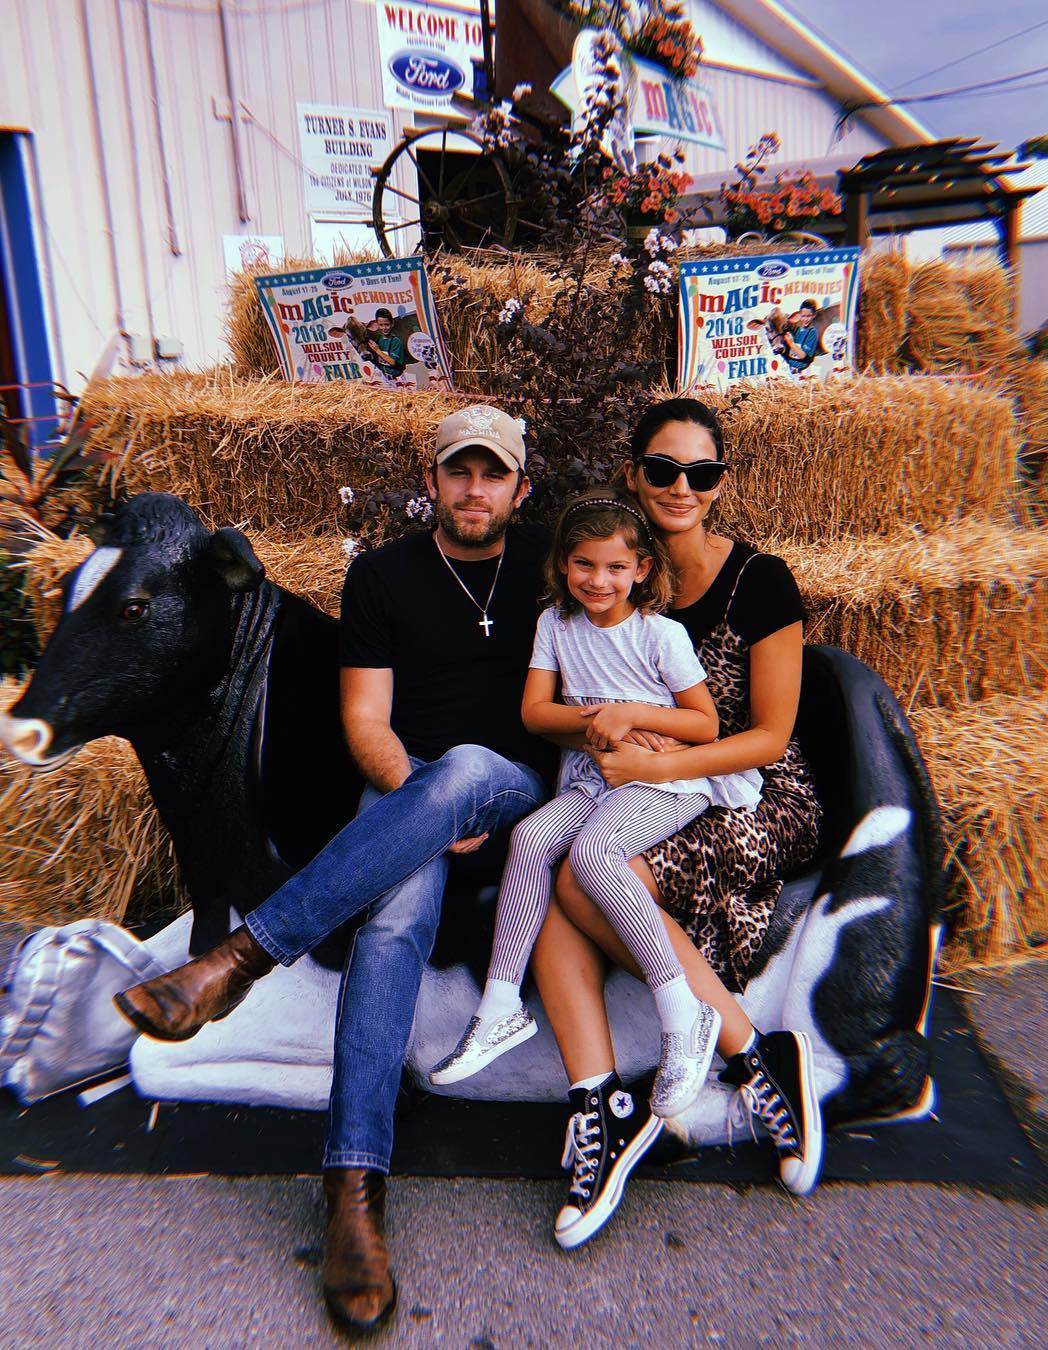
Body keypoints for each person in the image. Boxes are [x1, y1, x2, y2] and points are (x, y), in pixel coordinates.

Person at [112, 405, 554, 1336]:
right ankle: (353, 1187)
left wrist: (453, 797)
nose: (475, 490)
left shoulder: (556, 568)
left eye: (494, 474)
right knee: (393, 921)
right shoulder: (382, 576)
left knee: (469, 767)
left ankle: (239, 959)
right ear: (431, 482)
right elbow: (365, 723)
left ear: (521, 487)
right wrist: (422, 803)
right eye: (459, 471)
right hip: (406, 785)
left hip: (511, 785)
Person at [530, 398, 826, 1245]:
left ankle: (743, 1053)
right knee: (553, 866)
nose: (681, 487)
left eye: (702, 472)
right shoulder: (610, 576)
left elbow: (768, 738)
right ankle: (603, 1102)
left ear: (721, 483)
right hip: (637, 785)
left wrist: (654, 763)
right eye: (663, 469)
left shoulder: (759, 582)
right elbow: (565, 703)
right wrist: (611, 737)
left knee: (586, 877)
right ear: (634, 475)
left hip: (752, 789)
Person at [429, 492, 763, 1149]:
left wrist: (631, 717)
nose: (599, 580)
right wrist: (602, 721)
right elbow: (534, 713)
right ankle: (500, 1005)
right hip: (592, 777)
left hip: (665, 780)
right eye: (584, 564)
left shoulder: (659, 634)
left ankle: (682, 1011)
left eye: (615, 567)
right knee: (531, 837)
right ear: (563, 564)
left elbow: (704, 724)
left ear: (641, 569)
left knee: (592, 855)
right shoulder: (556, 624)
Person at [779, 298, 821, 372]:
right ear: (800, 315)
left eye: (808, 316)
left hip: (802, 371)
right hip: (789, 368)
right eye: (803, 316)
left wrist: (791, 344)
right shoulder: (798, 329)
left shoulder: (812, 332)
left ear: (814, 315)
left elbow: (805, 357)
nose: (805, 319)